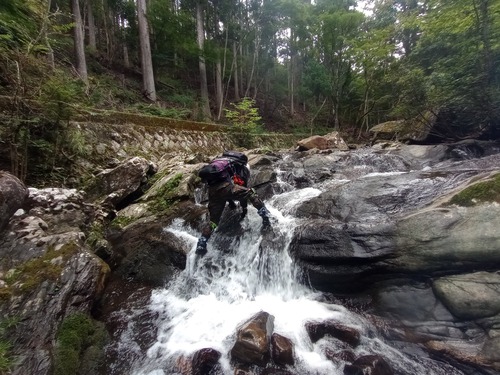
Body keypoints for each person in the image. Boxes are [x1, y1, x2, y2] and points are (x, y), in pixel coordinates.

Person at [196, 151, 271, 255]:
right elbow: (240, 190)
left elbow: (225, 193)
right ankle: (265, 216)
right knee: (251, 193)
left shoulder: (219, 164)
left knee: (213, 222)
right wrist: (244, 209)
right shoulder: (239, 167)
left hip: (213, 192)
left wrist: (231, 203)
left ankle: (202, 242)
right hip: (225, 187)